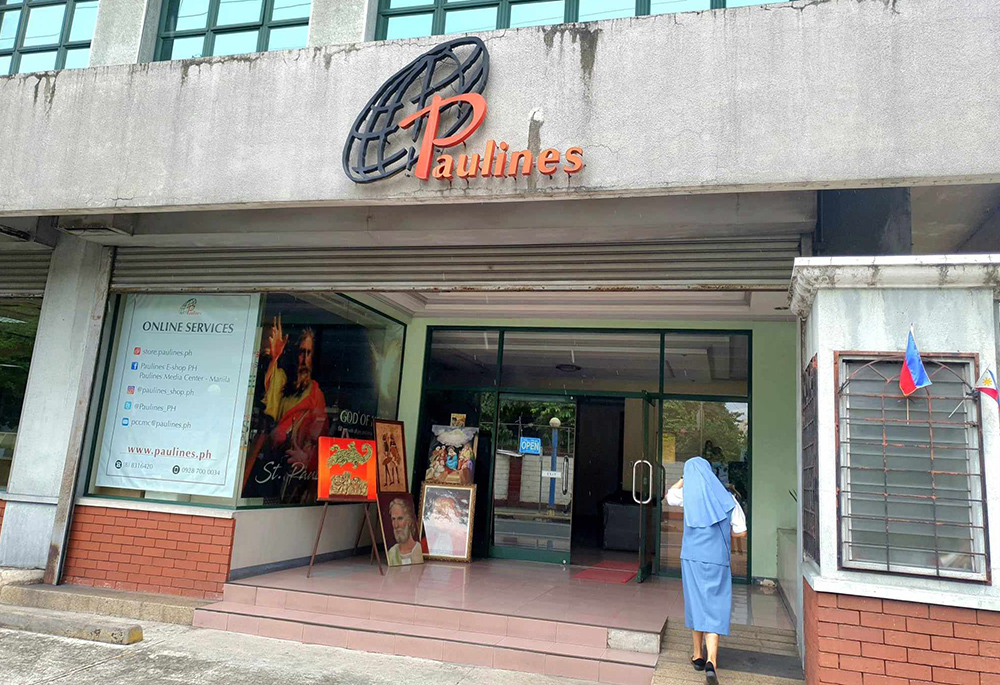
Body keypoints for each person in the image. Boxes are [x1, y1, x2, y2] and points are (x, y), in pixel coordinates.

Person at [667, 456, 747, 685]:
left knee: (696, 603)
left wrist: (683, 480)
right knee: (715, 604)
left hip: (691, 557)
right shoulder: (728, 498)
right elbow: (741, 532)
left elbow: (669, 496)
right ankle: (712, 659)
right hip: (717, 559)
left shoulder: (687, 496)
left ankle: (697, 655)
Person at [386, 498, 423, 567]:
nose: (396, 525)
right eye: (393, 519)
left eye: (400, 518)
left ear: (409, 520)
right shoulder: (392, 553)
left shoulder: (420, 550)